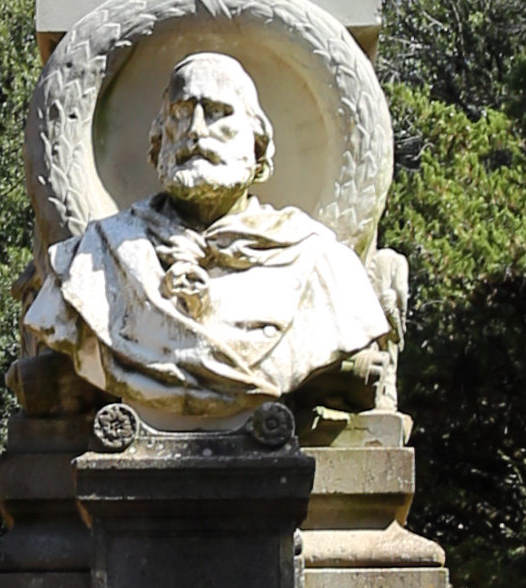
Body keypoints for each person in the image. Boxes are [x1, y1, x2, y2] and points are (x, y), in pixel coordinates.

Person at [24, 51, 394, 425]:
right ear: (159, 137)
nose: (196, 131)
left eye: (217, 113)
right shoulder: (94, 257)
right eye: (181, 113)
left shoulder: (321, 262)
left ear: (258, 142)